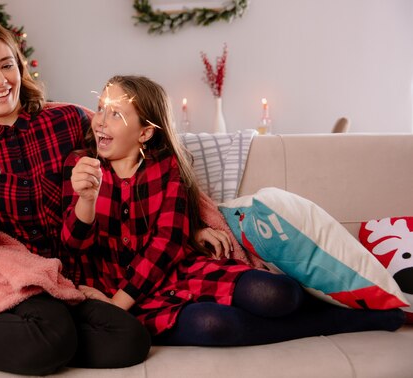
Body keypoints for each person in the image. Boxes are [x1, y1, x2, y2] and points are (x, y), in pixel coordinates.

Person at [61, 75, 405, 347]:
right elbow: (70, 246)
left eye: (116, 114)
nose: (100, 121)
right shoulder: (80, 165)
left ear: (146, 132)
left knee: (275, 294)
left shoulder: (164, 168)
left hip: (170, 274)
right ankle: (354, 321)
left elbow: (167, 242)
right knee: (213, 325)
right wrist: (86, 200)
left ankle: (343, 308)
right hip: (112, 286)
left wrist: (116, 306)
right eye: (101, 108)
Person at [0, 22, 150, 374]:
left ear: (21, 67)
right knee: (52, 337)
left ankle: (51, 340)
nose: (0, 80)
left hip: (66, 277)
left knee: (130, 339)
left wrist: (199, 221)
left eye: (7, 65)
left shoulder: (67, 119)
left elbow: (135, 151)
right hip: (9, 281)